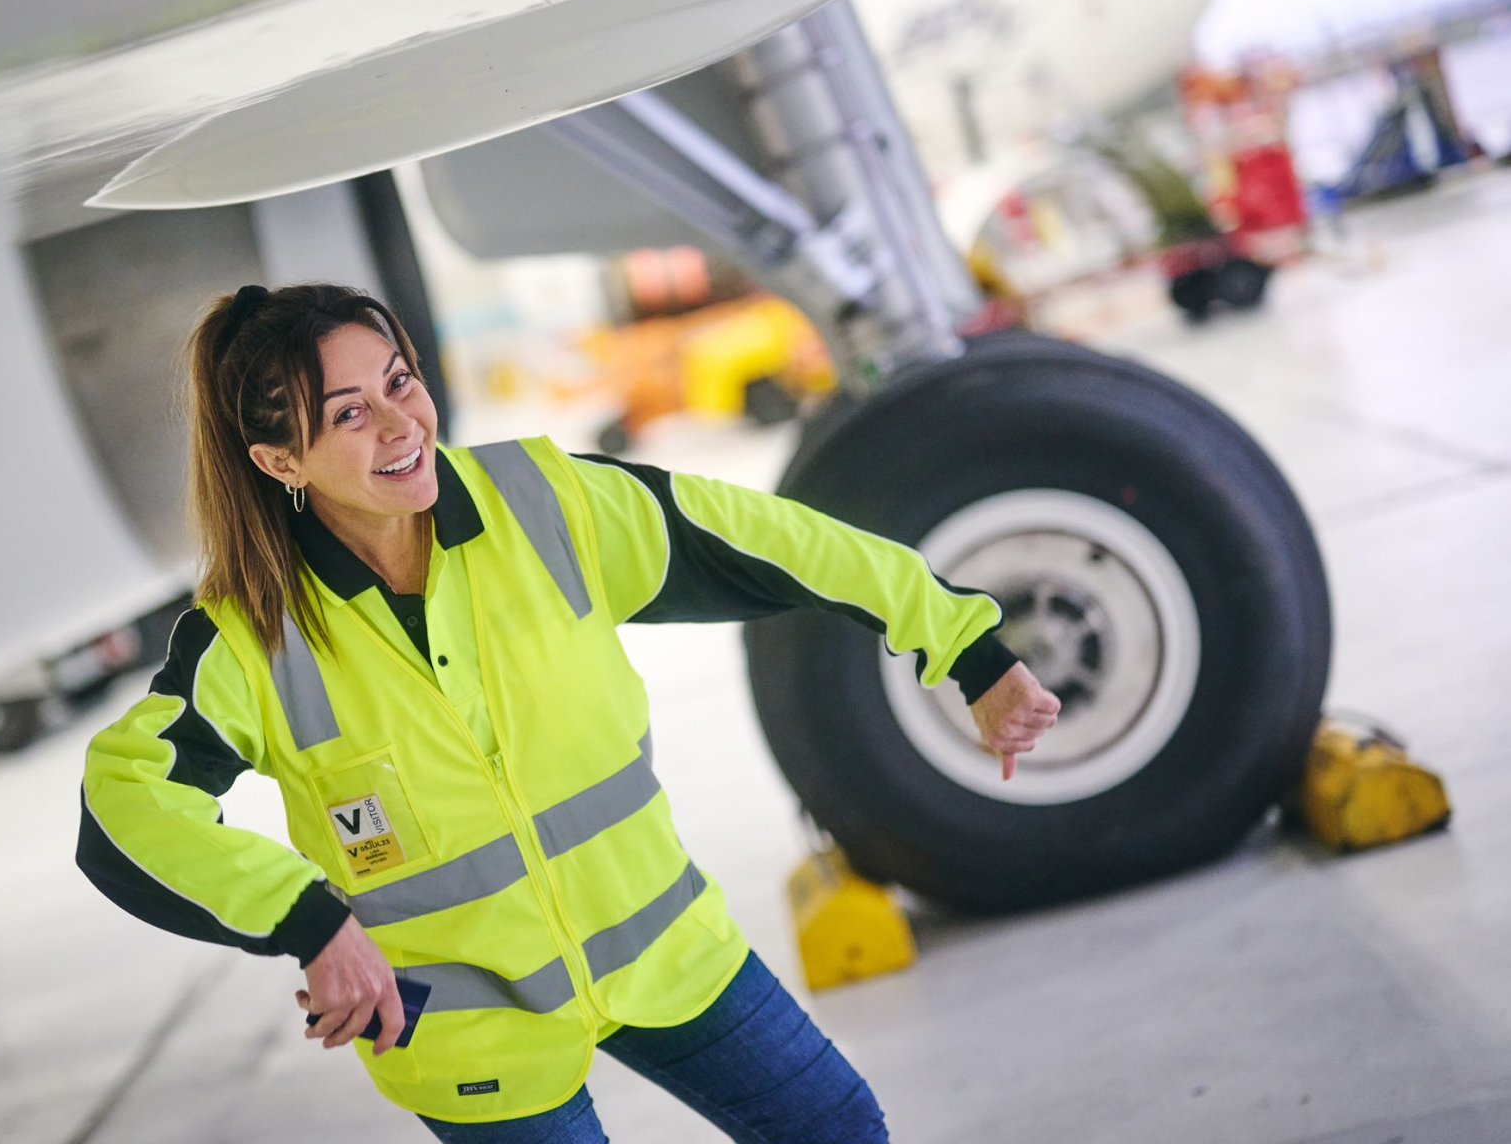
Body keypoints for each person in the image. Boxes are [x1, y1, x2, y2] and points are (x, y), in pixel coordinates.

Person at [76, 282, 1060, 1142]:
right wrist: (309, 922)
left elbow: (780, 540)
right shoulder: (253, 638)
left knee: (837, 1126)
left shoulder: (545, 506)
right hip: (467, 1025)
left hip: (666, 949)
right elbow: (128, 804)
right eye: (348, 413)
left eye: (400, 381)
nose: (398, 423)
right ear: (279, 460)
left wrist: (969, 651)